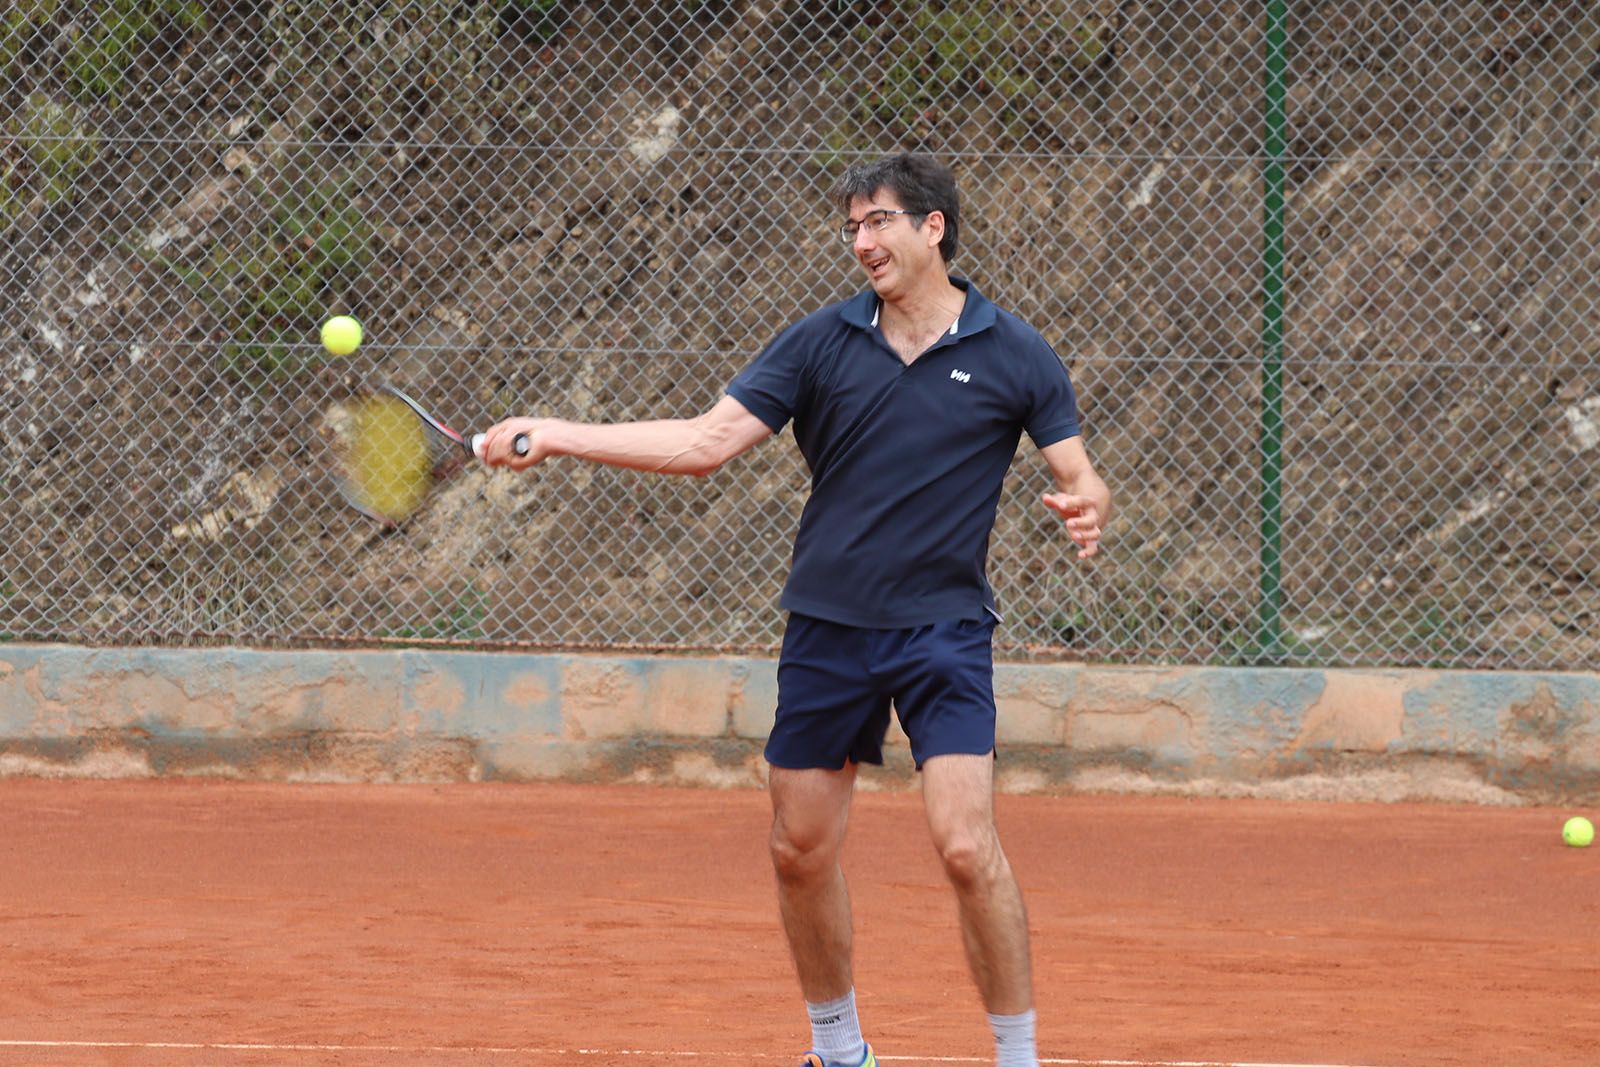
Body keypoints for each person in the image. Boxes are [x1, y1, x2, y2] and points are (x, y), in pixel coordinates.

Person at [479, 152, 1110, 1067]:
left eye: (879, 221)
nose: (860, 242)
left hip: (945, 632)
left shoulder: (1015, 353)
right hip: (829, 630)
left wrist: (1090, 501)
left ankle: (1019, 1057)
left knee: (968, 847)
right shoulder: (819, 342)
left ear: (934, 228)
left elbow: (1078, 469)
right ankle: (838, 1048)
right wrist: (562, 434)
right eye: (852, 226)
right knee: (799, 850)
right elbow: (704, 443)